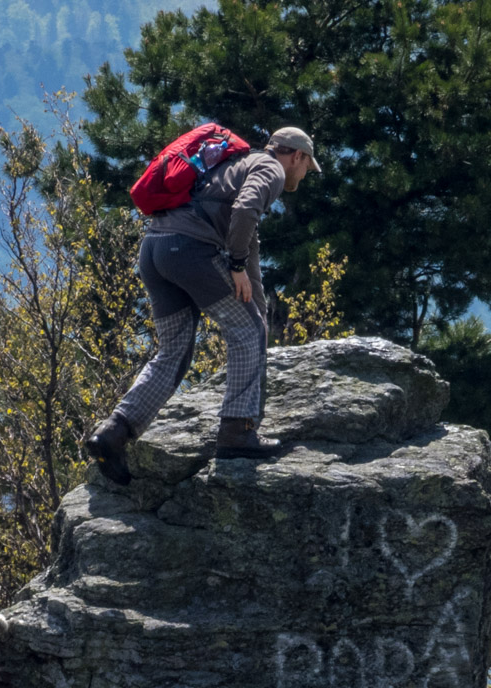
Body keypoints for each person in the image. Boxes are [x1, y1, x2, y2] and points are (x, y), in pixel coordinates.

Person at [84, 126, 322, 484]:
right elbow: (244, 213)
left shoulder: (236, 165)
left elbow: (248, 243)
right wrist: (236, 268)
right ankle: (237, 432)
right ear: (297, 156)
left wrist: (254, 310)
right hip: (188, 249)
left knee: (174, 351)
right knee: (245, 332)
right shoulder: (271, 169)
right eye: (307, 168)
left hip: (154, 249)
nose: (304, 176)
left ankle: (113, 434)